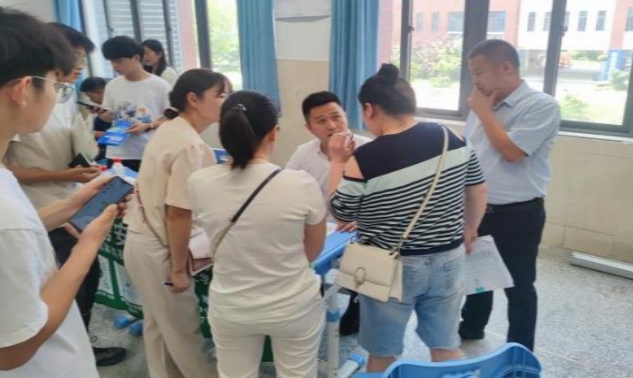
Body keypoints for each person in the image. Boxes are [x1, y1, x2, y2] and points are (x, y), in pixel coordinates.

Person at [328, 64, 487, 373]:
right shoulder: (452, 137)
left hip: (390, 267)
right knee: (445, 345)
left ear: (370, 109)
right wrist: (470, 228)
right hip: (448, 257)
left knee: (383, 353)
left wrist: (337, 161)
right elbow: (478, 189)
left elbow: (341, 212)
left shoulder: (365, 158)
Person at [0, 7, 127, 376]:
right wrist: (89, 244)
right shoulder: (4, 213)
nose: (59, 97)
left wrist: (71, 204)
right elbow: (12, 350)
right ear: (23, 89)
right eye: (57, 86)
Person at [189, 91, 327, 378]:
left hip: (231, 307)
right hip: (293, 305)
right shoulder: (301, 184)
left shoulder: (199, 182)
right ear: (273, 133)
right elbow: (312, 251)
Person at [124, 69, 230, 378]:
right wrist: (178, 268)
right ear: (193, 99)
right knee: (184, 334)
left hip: (142, 241)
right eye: (221, 95)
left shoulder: (170, 129)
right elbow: (178, 212)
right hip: (160, 248)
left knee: (159, 326)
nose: (226, 102)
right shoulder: (190, 145)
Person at [458, 39, 561, 352]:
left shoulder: (541, 105)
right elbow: (470, 152)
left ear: (505, 67)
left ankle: (520, 352)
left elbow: (512, 152)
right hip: (476, 208)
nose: (475, 81)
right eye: (472, 74)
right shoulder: (483, 104)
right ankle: (472, 327)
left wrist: (483, 112)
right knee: (477, 275)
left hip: (518, 213)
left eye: (479, 72)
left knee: (519, 286)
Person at [286, 91, 370, 336]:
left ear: (346, 116)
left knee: (367, 254)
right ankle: (315, 292)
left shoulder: (368, 148)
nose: (331, 125)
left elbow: (383, 195)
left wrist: (360, 220)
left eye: (336, 117)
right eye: (321, 121)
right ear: (309, 128)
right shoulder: (304, 153)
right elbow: (287, 188)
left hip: (357, 225)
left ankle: (357, 304)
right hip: (319, 225)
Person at [99, 36, 172, 172]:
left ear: (137, 58)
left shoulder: (160, 86)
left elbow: (171, 118)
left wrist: (148, 125)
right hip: (117, 153)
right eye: (112, 61)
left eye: (119, 61)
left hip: (148, 152)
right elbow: (110, 117)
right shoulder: (112, 85)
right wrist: (103, 114)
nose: (115, 66)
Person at [80, 77, 111, 162]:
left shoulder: (116, 109)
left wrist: (98, 134)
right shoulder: (98, 111)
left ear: (103, 92)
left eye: (91, 96)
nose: (91, 100)